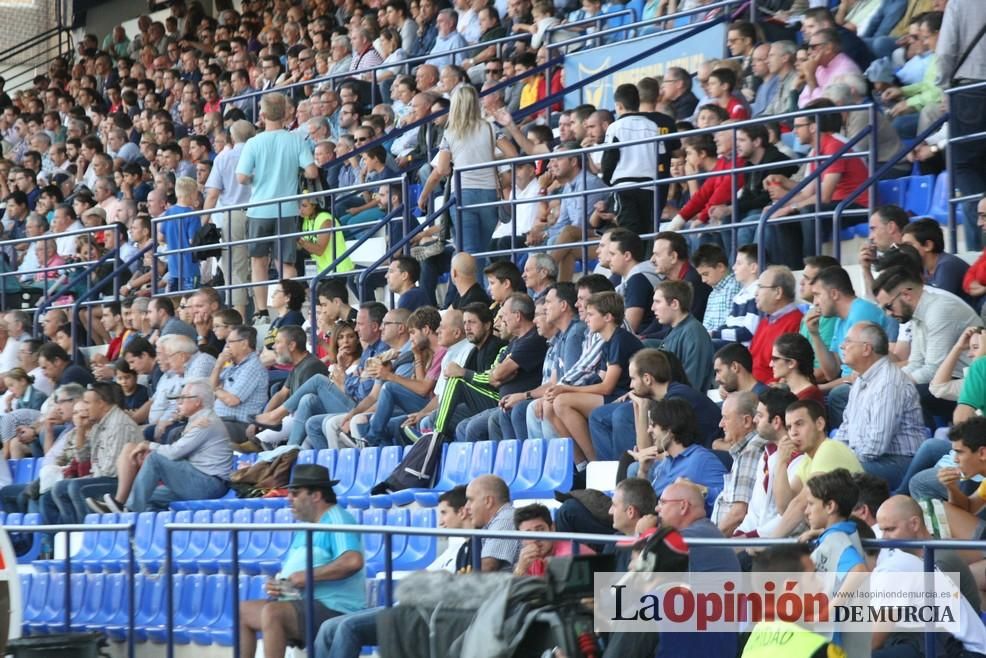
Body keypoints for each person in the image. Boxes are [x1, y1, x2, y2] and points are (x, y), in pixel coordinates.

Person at [239, 465, 365, 658]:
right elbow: (297, 575)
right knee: (244, 611)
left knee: (273, 613)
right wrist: (282, 585)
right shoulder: (307, 527)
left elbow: (352, 561)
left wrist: (307, 577)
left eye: (295, 494)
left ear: (316, 495)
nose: (289, 499)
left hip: (336, 608)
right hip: (304, 604)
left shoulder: (338, 519)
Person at [235, 92, 319, 324]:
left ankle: (261, 312)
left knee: (258, 261)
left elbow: (241, 177)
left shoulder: (253, 142)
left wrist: (256, 178)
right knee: (286, 263)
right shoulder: (295, 140)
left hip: (259, 210)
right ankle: (290, 311)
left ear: (261, 114)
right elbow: (312, 171)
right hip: (288, 210)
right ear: (286, 113)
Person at [873, 265, 983, 423]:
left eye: (889, 307)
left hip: (972, 382)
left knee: (912, 393)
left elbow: (931, 370)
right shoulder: (918, 314)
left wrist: (890, 385)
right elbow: (916, 364)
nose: (888, 314)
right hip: (949, 379)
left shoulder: (939, 310)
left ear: (906, 295)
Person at [549, 291, 641, 463]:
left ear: (607, 317)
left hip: (625, 396)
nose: (586, 319)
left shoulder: (620, 340)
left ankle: (596, 463)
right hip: (613, 394)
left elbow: (607, 387)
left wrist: (567, 388)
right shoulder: (608, 342)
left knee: (562, 402)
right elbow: (600, 379)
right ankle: (584, 465)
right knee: (556, 402)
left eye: (591, 314)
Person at [834, 321, 924, 490]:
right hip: (870, 458)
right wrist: (833, 454)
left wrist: (845, 460)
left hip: (896, 461)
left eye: (848, 342)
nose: (842, 346)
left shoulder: (888, 382)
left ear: (867, 349)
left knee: (834, 477)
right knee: (821, 468)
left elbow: (876, 445)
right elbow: (845, 429)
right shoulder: (861, 379)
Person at [418, 85, 498, 270]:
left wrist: (423, 195)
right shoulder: (489, 127)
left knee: (468, 251)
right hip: (489, 192)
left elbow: (442, 169)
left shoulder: (451, 132)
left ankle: (474, 295)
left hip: (463, 193)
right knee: (481, 250)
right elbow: (510, 154)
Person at [802, 468, 871, 657]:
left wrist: (827, 611)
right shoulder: (838, 534)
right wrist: (819, 534)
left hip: (832, 636)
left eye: (810, 504)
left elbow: (859, 571)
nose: (806, 511)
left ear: (830, 506)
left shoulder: (836, 539)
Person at [936, 0, 986, 251]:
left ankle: (979, 253)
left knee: (966, 168)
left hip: (970, 92)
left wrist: (944, 87)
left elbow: (946, 51)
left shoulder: (960, 2)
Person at [649, 280, 715, 392]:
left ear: (674, 304)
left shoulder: (694, 334)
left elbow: (690, 386)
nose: (652, 308)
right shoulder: (676, 330)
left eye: (657, 302)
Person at [749, 266, 803, 384]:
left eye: (760, 287)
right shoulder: (765, 321)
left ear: (778, 292)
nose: (755, 293)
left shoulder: (796, 322)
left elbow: (787, 373)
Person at [461, 474, 520, 571]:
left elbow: (488, 568)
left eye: (470, 500)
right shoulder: (495, 521)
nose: (466, 507)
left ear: (488, 501)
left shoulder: (505, 519)